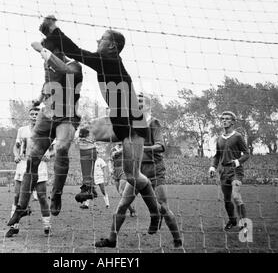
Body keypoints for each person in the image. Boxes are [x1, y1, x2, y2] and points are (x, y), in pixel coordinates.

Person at [34, 16, 161, 234]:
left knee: (132, 175)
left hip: (133, 123)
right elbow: (75, 52)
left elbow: (75, 52)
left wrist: (53, 32)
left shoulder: (109, 60)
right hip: (116, 120)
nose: (97, 40)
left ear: (111, 46)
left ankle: (155, 212)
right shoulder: (106, 60)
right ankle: (88, 186)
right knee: (84, 132)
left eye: (101, 39)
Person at [8, 16, 83, 226]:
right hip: (46, 116)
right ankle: (21, 208)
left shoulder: (74, 65)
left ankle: (56, 194)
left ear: (57, 50)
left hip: (67, 116)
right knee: (31, 161)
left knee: (61, 148)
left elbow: (63, 70)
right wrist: (39, 99)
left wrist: (42, 50)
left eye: (50, 50)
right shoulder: (48, 64)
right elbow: (47, 82)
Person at [95, 93, 182, 248]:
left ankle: (177, 239)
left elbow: (161, 146)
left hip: (155, 171)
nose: (137, 104)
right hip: (136, 171)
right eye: (136, 102)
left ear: (148, 105)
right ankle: (111, 240)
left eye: (141, 101)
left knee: (163, 207)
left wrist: (141, 147)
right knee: (122, 205)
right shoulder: (132, 125)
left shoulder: (153, 122)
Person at [6, 106, 51, 237]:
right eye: (32, 113)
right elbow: (17, 146)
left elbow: (54, 149)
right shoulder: (22, 130)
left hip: (40, 166)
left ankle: (47, 225)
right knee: (16, 196)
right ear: (29, 115)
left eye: (37, 113)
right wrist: (15, 155)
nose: (34, 115)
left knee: (42, 197)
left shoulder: (47, 130)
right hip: (22, 166)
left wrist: (49, 155)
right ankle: (14, 227)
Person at [209, 111, 250, 231]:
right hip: (223, 172)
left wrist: (237, 162)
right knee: (227, 199)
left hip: (236, 171)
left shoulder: (237, 136)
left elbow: (247, 154)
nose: (224, 121)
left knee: (236, 197)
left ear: (233, 121)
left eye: (227, 119)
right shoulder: (219, 138)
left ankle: (244, 225)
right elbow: (217, 156)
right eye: (222, 119)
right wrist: (212, 167)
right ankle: (232, 221)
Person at [109, 143, 136, 217]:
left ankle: (120, 210)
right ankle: (132, 210)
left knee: (121, 191)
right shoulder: (113, 149)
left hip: (123, 170)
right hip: (115, 172)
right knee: (121, 193)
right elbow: (111, 160)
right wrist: (110, 169)